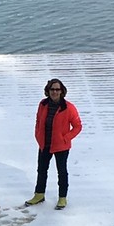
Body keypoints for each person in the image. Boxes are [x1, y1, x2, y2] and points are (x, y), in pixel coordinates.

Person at [25, 78, 82, 209]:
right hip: (44, 144)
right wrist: (38, 135)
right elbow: (38, 120)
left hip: (61, 146)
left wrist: (66, 138)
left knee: (62, 172)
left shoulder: (68, 107)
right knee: (41, 170)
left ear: (62, 91)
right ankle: (39, 194)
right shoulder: (43, 104)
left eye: (57, 89)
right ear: (48, 91)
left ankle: (62, 198)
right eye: (52, 89)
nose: (55, 92)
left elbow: (78, 126)